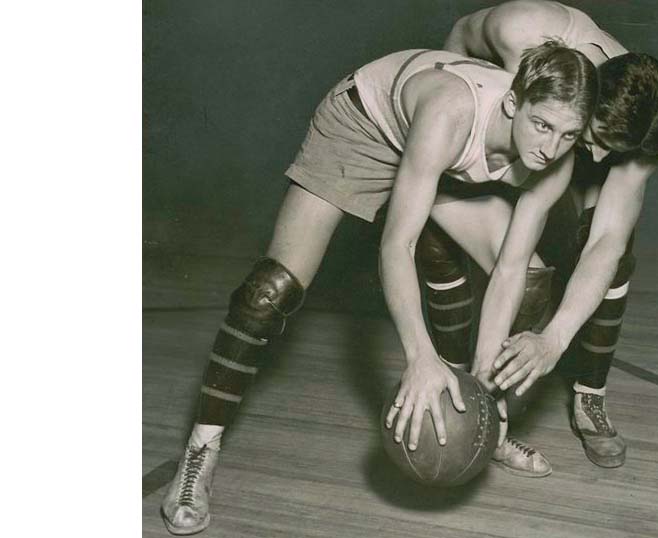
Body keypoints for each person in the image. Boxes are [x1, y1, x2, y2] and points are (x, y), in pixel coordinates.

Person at [159, 42, 597, 535]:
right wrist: (419, 357)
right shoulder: (451, 114)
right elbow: (397, 245)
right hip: (366, 126)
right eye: (542, 126)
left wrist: (481, 390)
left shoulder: (555, 158)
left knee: (533, 281)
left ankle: (483, 420)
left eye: (568, 134)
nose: (551, 147)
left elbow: (511, 270)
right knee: (270, 290)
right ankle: (201, 450)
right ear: (514, 104)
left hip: (441, 159)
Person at [416, 0, 658, 473]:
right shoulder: (525, 30)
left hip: (559, 128)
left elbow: (606, 243)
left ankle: (589, 396)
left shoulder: (643, 126)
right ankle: (464, 386)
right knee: (442, 237)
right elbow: (455, 45)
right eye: (596, 138)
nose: (596, 159)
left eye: (613, 152)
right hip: (504, 121)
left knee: (611, 260)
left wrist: (554, 340)